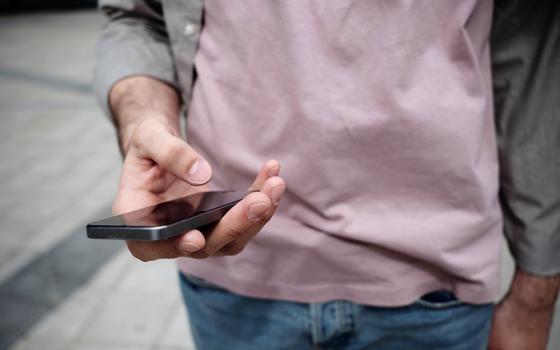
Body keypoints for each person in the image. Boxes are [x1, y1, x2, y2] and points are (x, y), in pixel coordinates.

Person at [94, 0, 559, 349]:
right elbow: (140, 17)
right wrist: (144, 123)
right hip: (230, 278)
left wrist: (536, 291)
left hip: (435, 287)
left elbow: (531, 43)